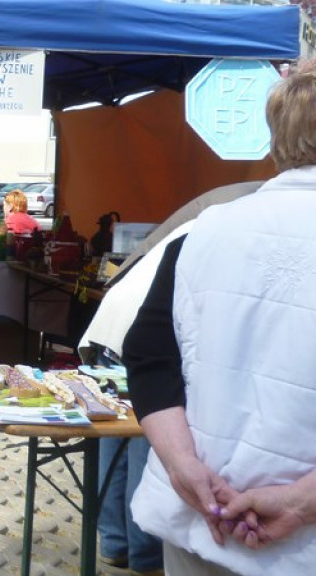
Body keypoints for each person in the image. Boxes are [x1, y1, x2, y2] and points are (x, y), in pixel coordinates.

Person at [124, 66, 316, 576]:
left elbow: (148, 358)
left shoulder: (203, 232)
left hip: (201, 527)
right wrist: (301, 501)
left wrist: (184, 468)